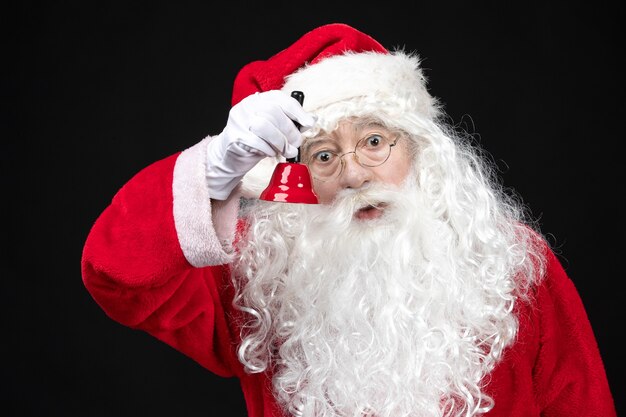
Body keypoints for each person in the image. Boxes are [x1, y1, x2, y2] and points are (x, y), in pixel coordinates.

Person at [81, 23, 616, 417]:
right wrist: (215, 169)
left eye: (375, 141)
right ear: (299, 177)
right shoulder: (263, 280)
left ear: (420, 148)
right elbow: (115, 274)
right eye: (323, 155)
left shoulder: (510, 263)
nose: (355, 174)